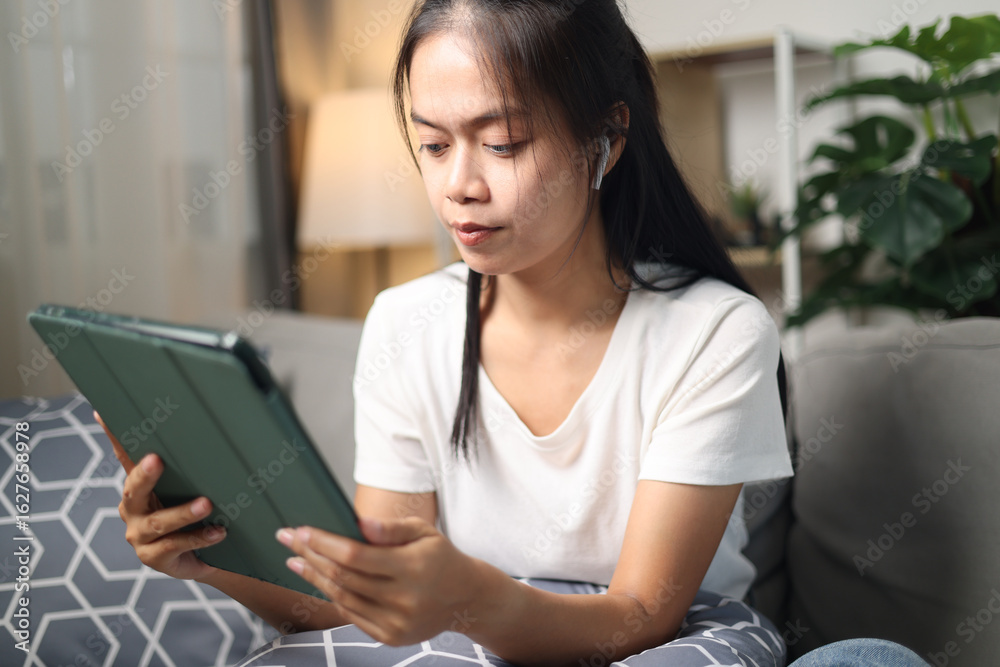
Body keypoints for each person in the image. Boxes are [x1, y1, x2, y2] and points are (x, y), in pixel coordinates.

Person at [99, 1, 926, 665]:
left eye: (502, 143)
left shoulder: (714, 332)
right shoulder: (405, 322)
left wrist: (468, 597)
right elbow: (359, 607)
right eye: (431, 144)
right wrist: (206, 559)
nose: (459, 184)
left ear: (607, 136)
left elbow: (641, 615)